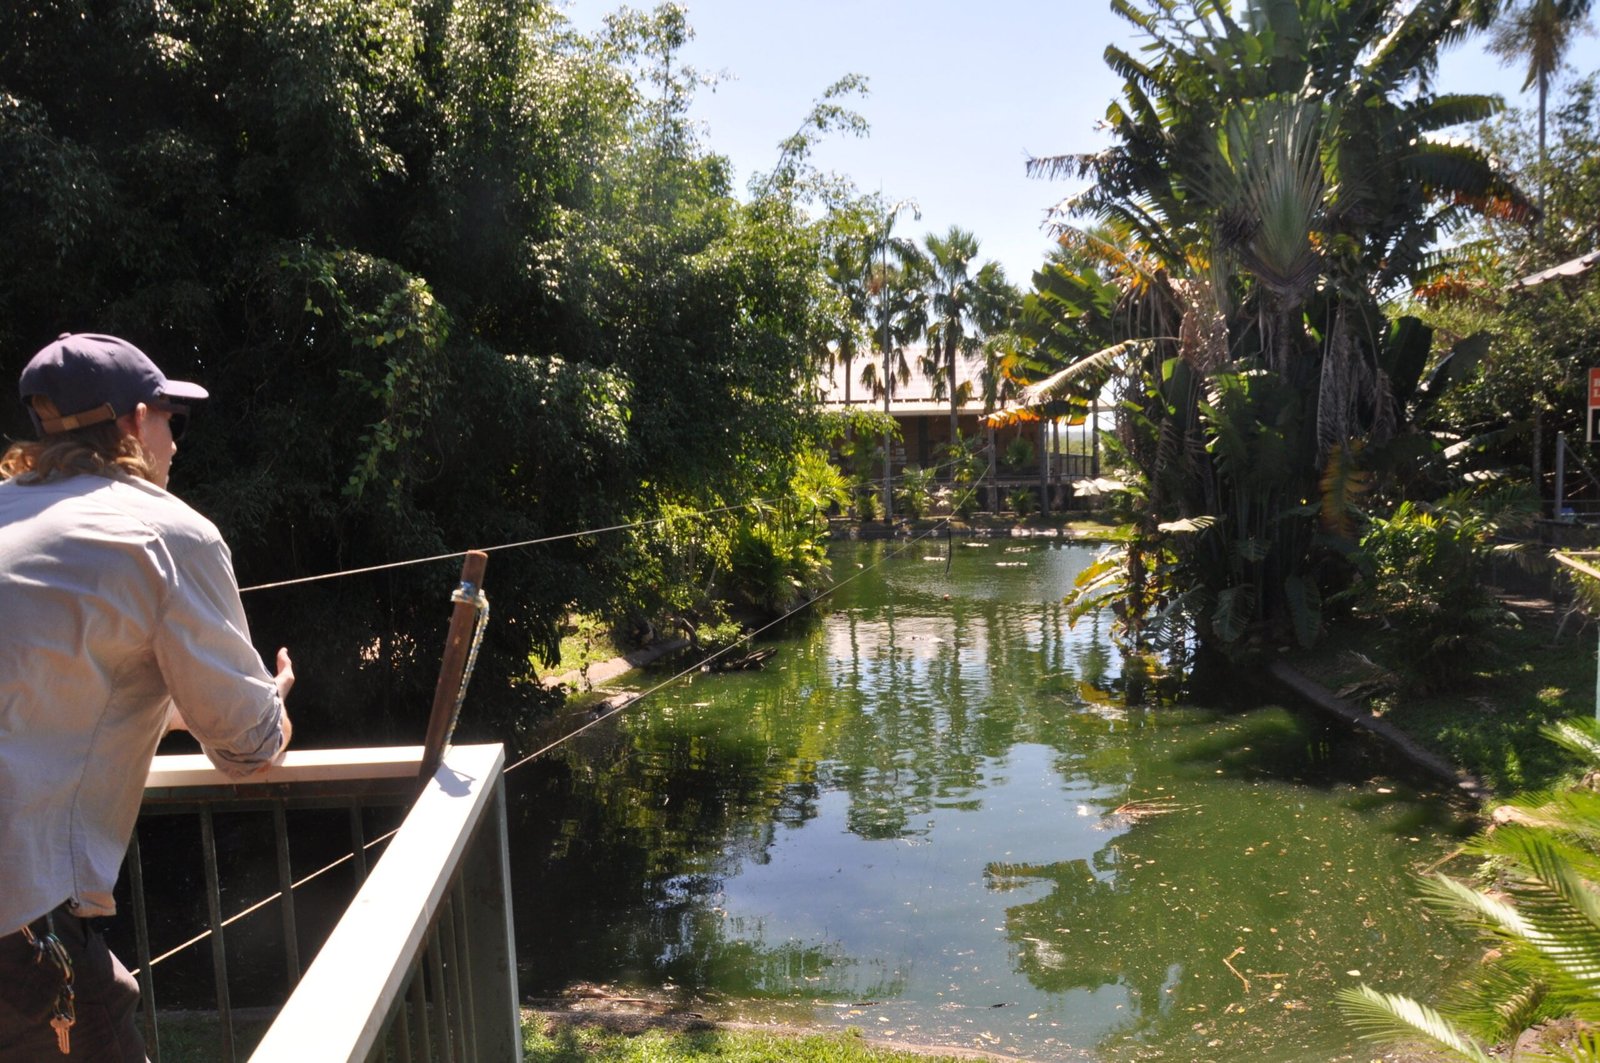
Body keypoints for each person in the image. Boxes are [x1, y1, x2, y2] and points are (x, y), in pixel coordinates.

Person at [0, 333, 294, 1060]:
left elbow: (38, 701)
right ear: (135, 422)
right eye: (171, 419)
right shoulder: (167, 532)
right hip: (18, 924)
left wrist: (161, 712)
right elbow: (249, 749)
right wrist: (273, 702)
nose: (175, 442)